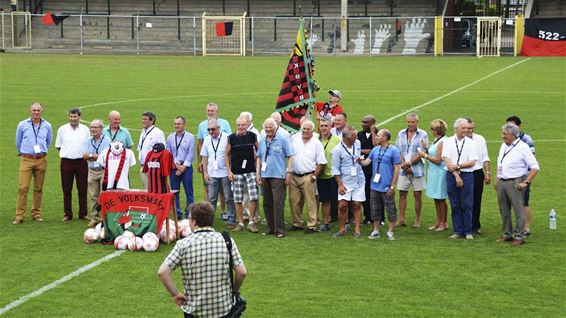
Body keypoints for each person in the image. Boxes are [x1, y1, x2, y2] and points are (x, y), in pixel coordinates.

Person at [158, 201, 247, 318]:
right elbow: (242, 272)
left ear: (194, 221)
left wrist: (175, 294)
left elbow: (163, 272)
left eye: (189, 219)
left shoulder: (183, 245)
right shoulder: (227, 241)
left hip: (194, 311)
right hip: (223, 309)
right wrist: (234, 291)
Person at [495, 123, 539, 246]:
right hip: (502, 181)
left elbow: (535, 167)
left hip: (516, 181)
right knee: (504, 209)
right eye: (502, 133)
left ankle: (520, 236)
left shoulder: (523, 147)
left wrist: (526, 182)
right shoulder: (503, 145)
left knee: (518, 210)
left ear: (514, 135)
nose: (503, 136)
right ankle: (507, 234)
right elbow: (500, 163)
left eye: (505, 134)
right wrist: (497, 178)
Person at [14, 102, 53, 224]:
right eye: (34, 110)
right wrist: (25, 152)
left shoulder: (47, 125)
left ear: (42, 111)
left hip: (41, 159)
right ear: (30, 111)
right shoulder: (22, 124)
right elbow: (18, 142)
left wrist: (41, 153)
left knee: (38, 188)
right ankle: (19, 215)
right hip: (26, 159)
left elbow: (48, 142)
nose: (36, 112)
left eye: (38, 110)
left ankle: (36, 213)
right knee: (23, 188)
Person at [359, 129, 400, 240]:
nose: (376, 137)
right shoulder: (375, 150)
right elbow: (366, 162)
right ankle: (375, 230)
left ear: (385, 138)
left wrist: (392, 186)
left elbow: (397, 168)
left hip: (387, 185)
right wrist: (359, 161)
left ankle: (390, 231)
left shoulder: (394, 150)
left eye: (378, 136)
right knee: (375, 208)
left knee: (390, 208)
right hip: (374, 185)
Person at [441, 118, 478, 240]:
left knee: (467, 203)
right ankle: (458, 230)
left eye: (467, 128)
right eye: (463, 128)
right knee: (455, 203)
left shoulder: (471, 142)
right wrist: (456, 175)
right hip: (452, 175)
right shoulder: (448, 141)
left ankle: (468, 231)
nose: (466, 130)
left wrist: (457, 166)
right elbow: (446, 159)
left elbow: (472, 162)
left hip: (467, 175)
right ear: (456, 129)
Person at [256, 118, 294, 238]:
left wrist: (289, 173)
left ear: (275, 127)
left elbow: (290, 156)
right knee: (267, 203)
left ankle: (280, 229)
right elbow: (258, 157)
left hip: (278, 175)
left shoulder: (282, 139)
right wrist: (258, 174)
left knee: (278, 203)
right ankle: (271, 227)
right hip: (265, 175)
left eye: (270, 127)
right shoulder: (263, 140)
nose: (268, 129)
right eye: (266, 127)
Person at [288, 120, 327, 234]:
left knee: (311, 202)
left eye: (308, 129)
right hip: (294, 175)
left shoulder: (316, 143)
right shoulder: (294, 139)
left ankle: (312, 225)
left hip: (308, 175)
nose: (305, 131)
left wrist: (314, 176)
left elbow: (321, 162)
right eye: (303, 128)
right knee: (293, 201)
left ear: (312, 131)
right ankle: (297, 223)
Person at [201, 119, 237, 229]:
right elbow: (205, 157)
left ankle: (231, 220)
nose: (211, 131)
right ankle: (209, 221)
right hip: (212, 173)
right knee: (211, 199)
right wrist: (205, 172)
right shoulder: (207, 139)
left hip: (225, 173)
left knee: (229, 197)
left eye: (213, 129)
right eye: (209, 129)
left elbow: (231, 155)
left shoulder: (227, 138)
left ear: (218, 128)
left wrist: (231, 171)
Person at [225, 116, 260, 233]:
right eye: (238, 125)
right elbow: (226, 155)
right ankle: (240, 222)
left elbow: (258, 152)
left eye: (243, 125)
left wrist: (257, 168)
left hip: (250, 171)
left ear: (247, 125)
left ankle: (251, 222)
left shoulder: (252, 136)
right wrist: (229, 171)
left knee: (253, 196)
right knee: (238, 198)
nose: (240, 127)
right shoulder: (231, 138)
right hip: (236, 172)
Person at [55, 108, 90, 222]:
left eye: (75, 116)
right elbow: (58, 146)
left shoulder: (85, 129)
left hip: (81, 161)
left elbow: (88, 145)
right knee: (66, 189)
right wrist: (68, 153)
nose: (73, 119)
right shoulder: (62, 129)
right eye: (71, 116)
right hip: (67, 161)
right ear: (68, 117)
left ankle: (83, 214)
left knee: (82, 188)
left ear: (79, 117)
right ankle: (67, 214)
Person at [331, 126, 366, 238]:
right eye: (354, 135)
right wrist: (340, 184)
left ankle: (357, 229)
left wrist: (360, 161)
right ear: (347, 138)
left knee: (356, 204)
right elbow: (335, 168)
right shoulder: (337, 150)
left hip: (358, 179)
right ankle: (342, 228)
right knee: (342, 205)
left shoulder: (358, 143)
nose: (357, 137)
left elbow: (358, 157)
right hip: (345, 181)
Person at [197, 103, 232, 214]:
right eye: (208, 110)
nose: (210, 112)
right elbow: (200, 144)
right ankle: (208, 215)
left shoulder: (225, 124)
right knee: (209, 190)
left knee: (225, 193)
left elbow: (231, 143)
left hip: (224, 167)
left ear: (217, 112)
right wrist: (200, 163)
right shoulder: (202, 126)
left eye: (212, 111)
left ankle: (224, 212)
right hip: (211, 166)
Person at [395, 112, 428, 227]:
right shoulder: (401, 133)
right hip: (403, 168)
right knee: (402, 194)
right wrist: (403, 164)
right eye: (408, 122)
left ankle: (417, 220)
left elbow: (422, 153)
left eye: (412, 122)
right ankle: (401, 219)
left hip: (417, 169)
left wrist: (408, 164)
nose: (410, 124)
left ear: (417, 122)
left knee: (417, 194)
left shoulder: (423, 134)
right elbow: (397, 150)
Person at [506, 115, 535, 236]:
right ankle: (518, 227)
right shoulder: (507, 140)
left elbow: (532, 160)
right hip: (510, 177)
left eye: (513, 125)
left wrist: (525, 178)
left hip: (523, 176)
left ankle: (526, 227)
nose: (510, 128)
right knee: (514, 203)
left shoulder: (526, 139)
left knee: (524, 203)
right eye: (508, 126)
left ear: (519, 126)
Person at [417, 119, 449, 231]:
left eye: (432, 129)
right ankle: (438, 221)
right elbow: (433, 152)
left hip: (440, 172)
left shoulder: (443, 142)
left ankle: (443, 223)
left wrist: (424, 155)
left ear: (437, 130)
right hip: (434, 172)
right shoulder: (437, 140)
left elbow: (438, 160)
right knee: (436, 198)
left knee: (441, 198)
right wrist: (426, 147)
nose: (431, 131)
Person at [166, 116, 195, 219]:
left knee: (189, 192)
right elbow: (168, 154)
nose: (177, 126)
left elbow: (191, 154)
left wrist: (183, 167)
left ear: (184, 124)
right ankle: (177, 214)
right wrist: (177, 167)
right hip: (174, 168)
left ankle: (189, 214)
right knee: (174, 193)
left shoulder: (190, 137)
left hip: (186, 168)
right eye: (175, 124)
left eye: (179, 124)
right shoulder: (170, 138)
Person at [465, 117, 491, 234]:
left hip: (477, 172)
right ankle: (465, 225)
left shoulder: (480, 139)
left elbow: (485, 157)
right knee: (465, 200)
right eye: (467, 128)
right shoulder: (459, 140)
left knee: (476, 199)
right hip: (464, 172)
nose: (469, 130)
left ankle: (475, 225)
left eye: (471, 128)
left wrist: (488, 172)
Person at [82, 119, 110, 226]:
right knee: (93, 195)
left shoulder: (107, 140)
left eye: (95, 127)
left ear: (101, 129)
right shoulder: (88, 140)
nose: (93, 129)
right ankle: (94, 217)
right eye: (91, 127)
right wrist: (96, 156)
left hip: (103, 170)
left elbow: (106, 157)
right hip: (92, 170)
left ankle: (104, 217)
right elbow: (84, 156)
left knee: (104, 194)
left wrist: (91, 155)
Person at [317, 117, 341, 232]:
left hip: (334, 175)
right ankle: (326, 223)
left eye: (326, 126)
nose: (323, 128)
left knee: (338, 201)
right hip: (321, 175)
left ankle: (343, 223)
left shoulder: (337, 140)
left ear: (331, 127)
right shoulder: (316, 139)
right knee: (325, 200)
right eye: (321, 126)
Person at [137, 111, 166, 189]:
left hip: (153, 167)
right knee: (146, 188)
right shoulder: (143, 132)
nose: (143, 121)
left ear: (152, 120)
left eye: (145, 119)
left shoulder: (158, 133)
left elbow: (163, 151)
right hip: (143, 166)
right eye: (142, 119)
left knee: (153, 189)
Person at [358, 115, 377, 224]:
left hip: (375, 169)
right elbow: (358, 149)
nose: (363, 124)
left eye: (365, 122)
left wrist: (374, 133)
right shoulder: (360, 134)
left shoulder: (379, 134)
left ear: (372, 123)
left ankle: (379, 217)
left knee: (375, 194)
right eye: (362, 122)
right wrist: (367, 151)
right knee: (365, 193)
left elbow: (375, 147)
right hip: (363, 168)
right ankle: (368, 216)